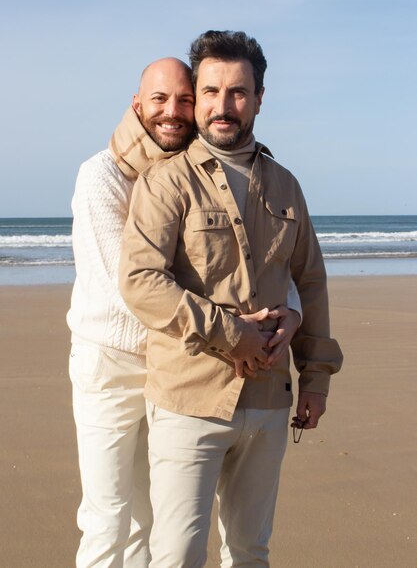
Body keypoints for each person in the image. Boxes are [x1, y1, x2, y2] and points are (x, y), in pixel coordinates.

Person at [119, 31, 343, 568]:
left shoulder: (287, 186)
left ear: (259, 98)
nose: (224, 106)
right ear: (198, 94)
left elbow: (309, 280)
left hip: (269, 399)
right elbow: (140, 281)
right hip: (188, 398)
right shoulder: (166, 182)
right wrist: (231, 332)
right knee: (177, 555)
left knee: (249, 551)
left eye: (239, 92)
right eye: (213, 90)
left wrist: (315, 379)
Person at [67, 56, 302, 568]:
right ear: (137, 105)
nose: (173, 111)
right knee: (109, 516)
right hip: (114, 364)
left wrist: (284, 317)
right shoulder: (104, 175)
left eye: (184, 99)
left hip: (177, 364)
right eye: (159, 100)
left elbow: (266, 263)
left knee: (155, 525)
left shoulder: (199, 173)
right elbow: (128, 291)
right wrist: (233, 334)